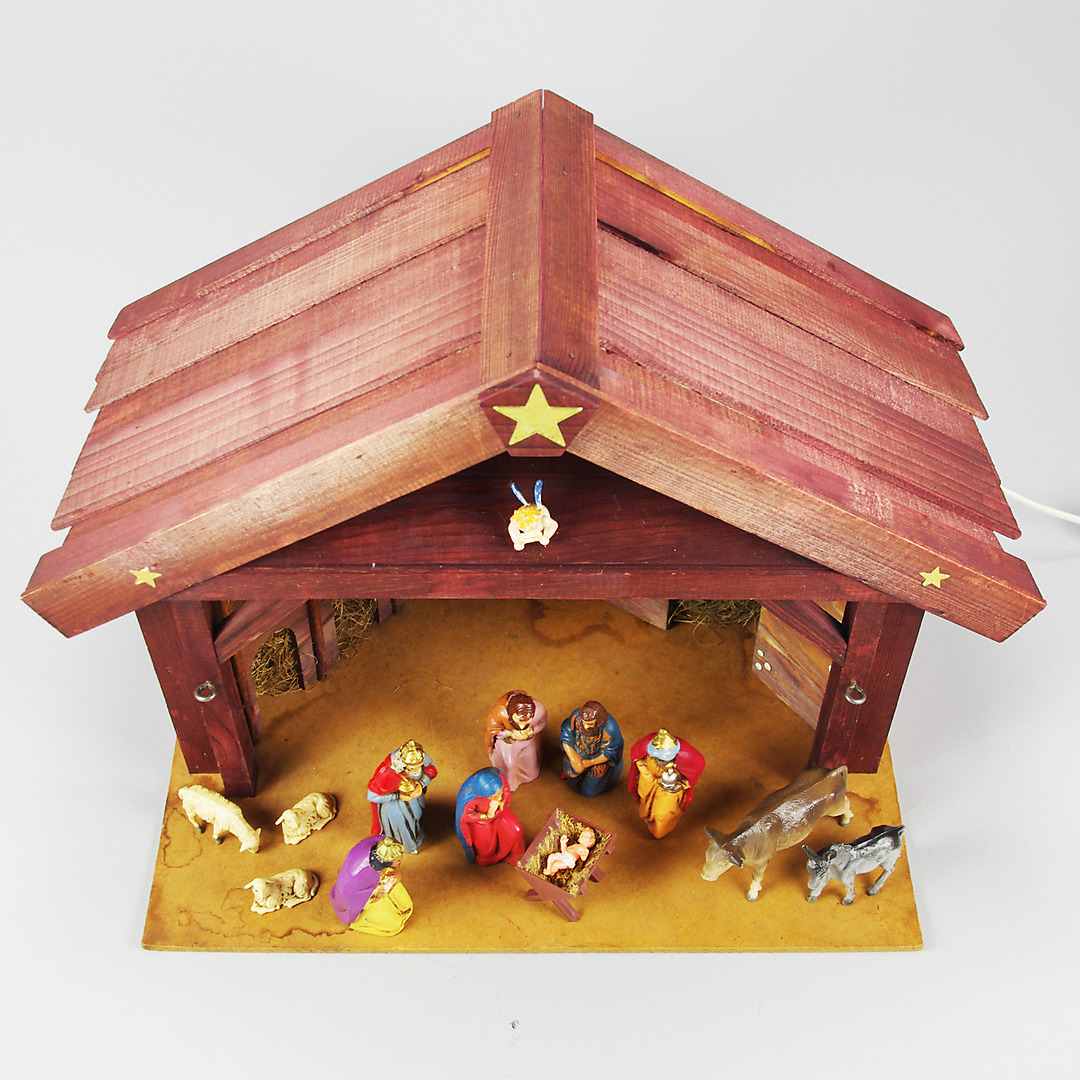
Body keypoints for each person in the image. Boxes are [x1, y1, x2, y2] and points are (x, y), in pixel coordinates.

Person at [627, 728, 705, 838]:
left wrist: (677, 784)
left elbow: (690, 774)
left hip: (666, 795)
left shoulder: (682, 762)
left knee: (662, 814)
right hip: (649, 786)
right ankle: (649, 818)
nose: (659, 762)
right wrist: (648, 777)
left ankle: (659, 830)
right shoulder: (649, 757)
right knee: (645, 804)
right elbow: (638, 760)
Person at [329, 836, 413, 936]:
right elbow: (362, 900)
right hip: (361, 903)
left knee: (407, 906)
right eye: (398, 860)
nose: (401, 861)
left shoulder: (380, 847)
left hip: (379, 883)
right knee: (396, 924)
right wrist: (384, 889)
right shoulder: (362, 877)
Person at [366, 739, 437, 853]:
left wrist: (421, 784)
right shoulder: (385, 773)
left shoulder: (420, 757)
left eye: (420, 766)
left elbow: (430, 770)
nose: (418, 770)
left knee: (415, 819)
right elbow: (372, 796)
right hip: (395, 807)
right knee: (403, 827)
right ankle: (409, 846)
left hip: (413, 799)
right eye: (412, 768)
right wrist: (397, 796)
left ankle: (417, 835)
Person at [455, 767, 527, 866]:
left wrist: (502, 802)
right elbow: (466, 817)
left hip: (499, 812)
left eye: (500, 793)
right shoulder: (470, 800)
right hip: (481, 823)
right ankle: (490, 858)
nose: (498, 797)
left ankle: (514, 856)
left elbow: (506, 790)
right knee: (486, 848)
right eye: (494, 796)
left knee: (515, 830)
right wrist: (484, 817)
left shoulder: (501, 781)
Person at [559, 700, 623, 796]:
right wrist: (573, 758)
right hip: (578, 752)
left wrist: (589, 763)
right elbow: (566, 735)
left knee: (588, 791)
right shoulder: (576, 717)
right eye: (584, 722)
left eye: (590, 724)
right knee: (570, 773)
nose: (585, 727)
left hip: (598, 760)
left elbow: (612, 751)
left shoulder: (610, 729)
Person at [485, 691, 547, 790]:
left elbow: (541, 723)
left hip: (527, 741)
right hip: (507, 742)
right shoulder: (499, 714)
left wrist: (531, 732)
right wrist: (510, 734)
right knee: (509, 764)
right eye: (520, 722)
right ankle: (510, 781)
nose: (522, 727)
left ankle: (527, 775)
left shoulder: (539, 711)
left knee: (529, 762)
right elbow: (493, 730)